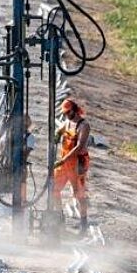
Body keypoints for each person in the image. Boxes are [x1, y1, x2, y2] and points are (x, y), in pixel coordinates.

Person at [53, 99, 91, 233]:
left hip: (77, 163)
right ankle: (59, 217)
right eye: (64, 113)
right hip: (64, 163)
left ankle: (83, 223)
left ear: (74, 110)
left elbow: (79, 146)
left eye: (67, 113)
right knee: (54, 189)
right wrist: (57, 134)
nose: (66, 115)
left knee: (79, 194)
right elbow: (61, 129)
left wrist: (63, 160)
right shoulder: (67, 122)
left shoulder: (83, 125)